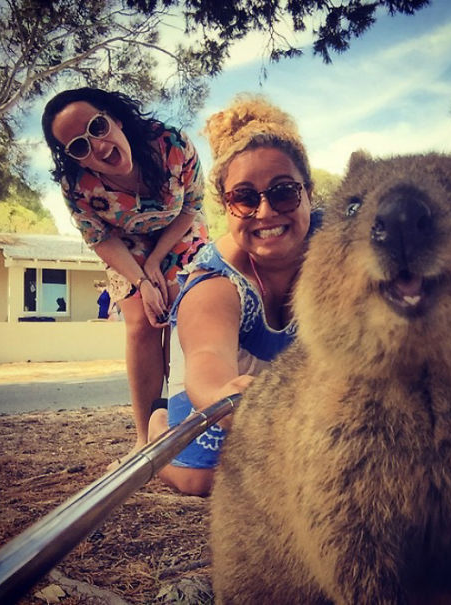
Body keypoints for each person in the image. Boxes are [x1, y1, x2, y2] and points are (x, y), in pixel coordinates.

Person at [148, 95, 322, 496]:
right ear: (226, 207)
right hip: (229, 376)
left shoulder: (339, 244)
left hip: (295, 377)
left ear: (309, 193)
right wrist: (221, 396)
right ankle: (158, 428)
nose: (265, 212)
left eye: (283, 192)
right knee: (202, 480)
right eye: (244, 198)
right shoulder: (214, 282)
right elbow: (208, 358)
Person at [42, 88, 208, 466]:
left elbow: (193, 206)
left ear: (115, 118)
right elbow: (99, 238)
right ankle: (144, 439)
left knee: (183, 309)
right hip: (124, 244)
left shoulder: (171, 143)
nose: (98, 147)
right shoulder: (76, 186)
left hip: (177, 231)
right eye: (79, 146)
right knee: (141, 320)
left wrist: (159, 263)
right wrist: (142, 280)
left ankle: (188, 428)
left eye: (97, 127)